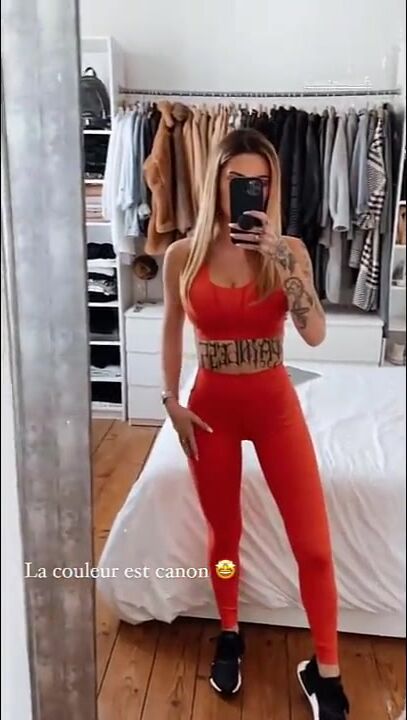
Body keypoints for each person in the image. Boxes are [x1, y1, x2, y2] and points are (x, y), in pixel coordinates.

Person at [161, 128, 350, 719]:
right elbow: (170, 326)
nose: (249, 191)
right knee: (224, 537)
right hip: (209, 413)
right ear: (216, 183)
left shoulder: (288, 250)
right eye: (237, 180)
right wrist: (170, 400)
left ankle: (326, 672)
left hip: (274, 409)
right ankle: (229, 630)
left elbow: (314, 334)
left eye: (261, 182)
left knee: (314, 547)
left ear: (273, 188)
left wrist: (280, 261)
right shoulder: (182, 254)